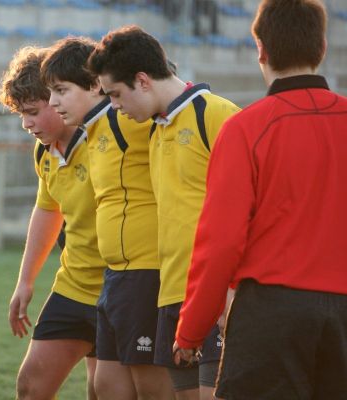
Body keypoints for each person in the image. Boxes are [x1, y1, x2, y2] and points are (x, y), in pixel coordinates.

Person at [174, 1, 347, 399]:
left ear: (261, 50)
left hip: (272, 312)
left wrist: (191, 330)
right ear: (321, 46)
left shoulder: (246, 129)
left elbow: (220, 242)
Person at [88, 25, 239, 400]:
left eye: (116, 95)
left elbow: (254, 208)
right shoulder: (156, 131)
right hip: (172, 295)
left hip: (217, 294)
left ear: (142, 80)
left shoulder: (217, 115)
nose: (114, 106)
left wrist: (234, 288)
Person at [41, 37, 174, 399]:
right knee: (104, 385)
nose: (53, 102)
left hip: (146, 272)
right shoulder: (93, 130)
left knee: (150, 387)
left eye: (61, 90)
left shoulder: (129, 120)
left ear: (94, 85)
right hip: (113, 275)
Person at [0, 45, 106, 400]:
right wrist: (25, 281)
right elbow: (48, 210)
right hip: (74, 286)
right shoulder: (45, 151)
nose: (26, 124)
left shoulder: (110, 139)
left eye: (32, 112)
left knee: (104, 389)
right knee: (31, 386)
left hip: (121, 289)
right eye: (20, 114)